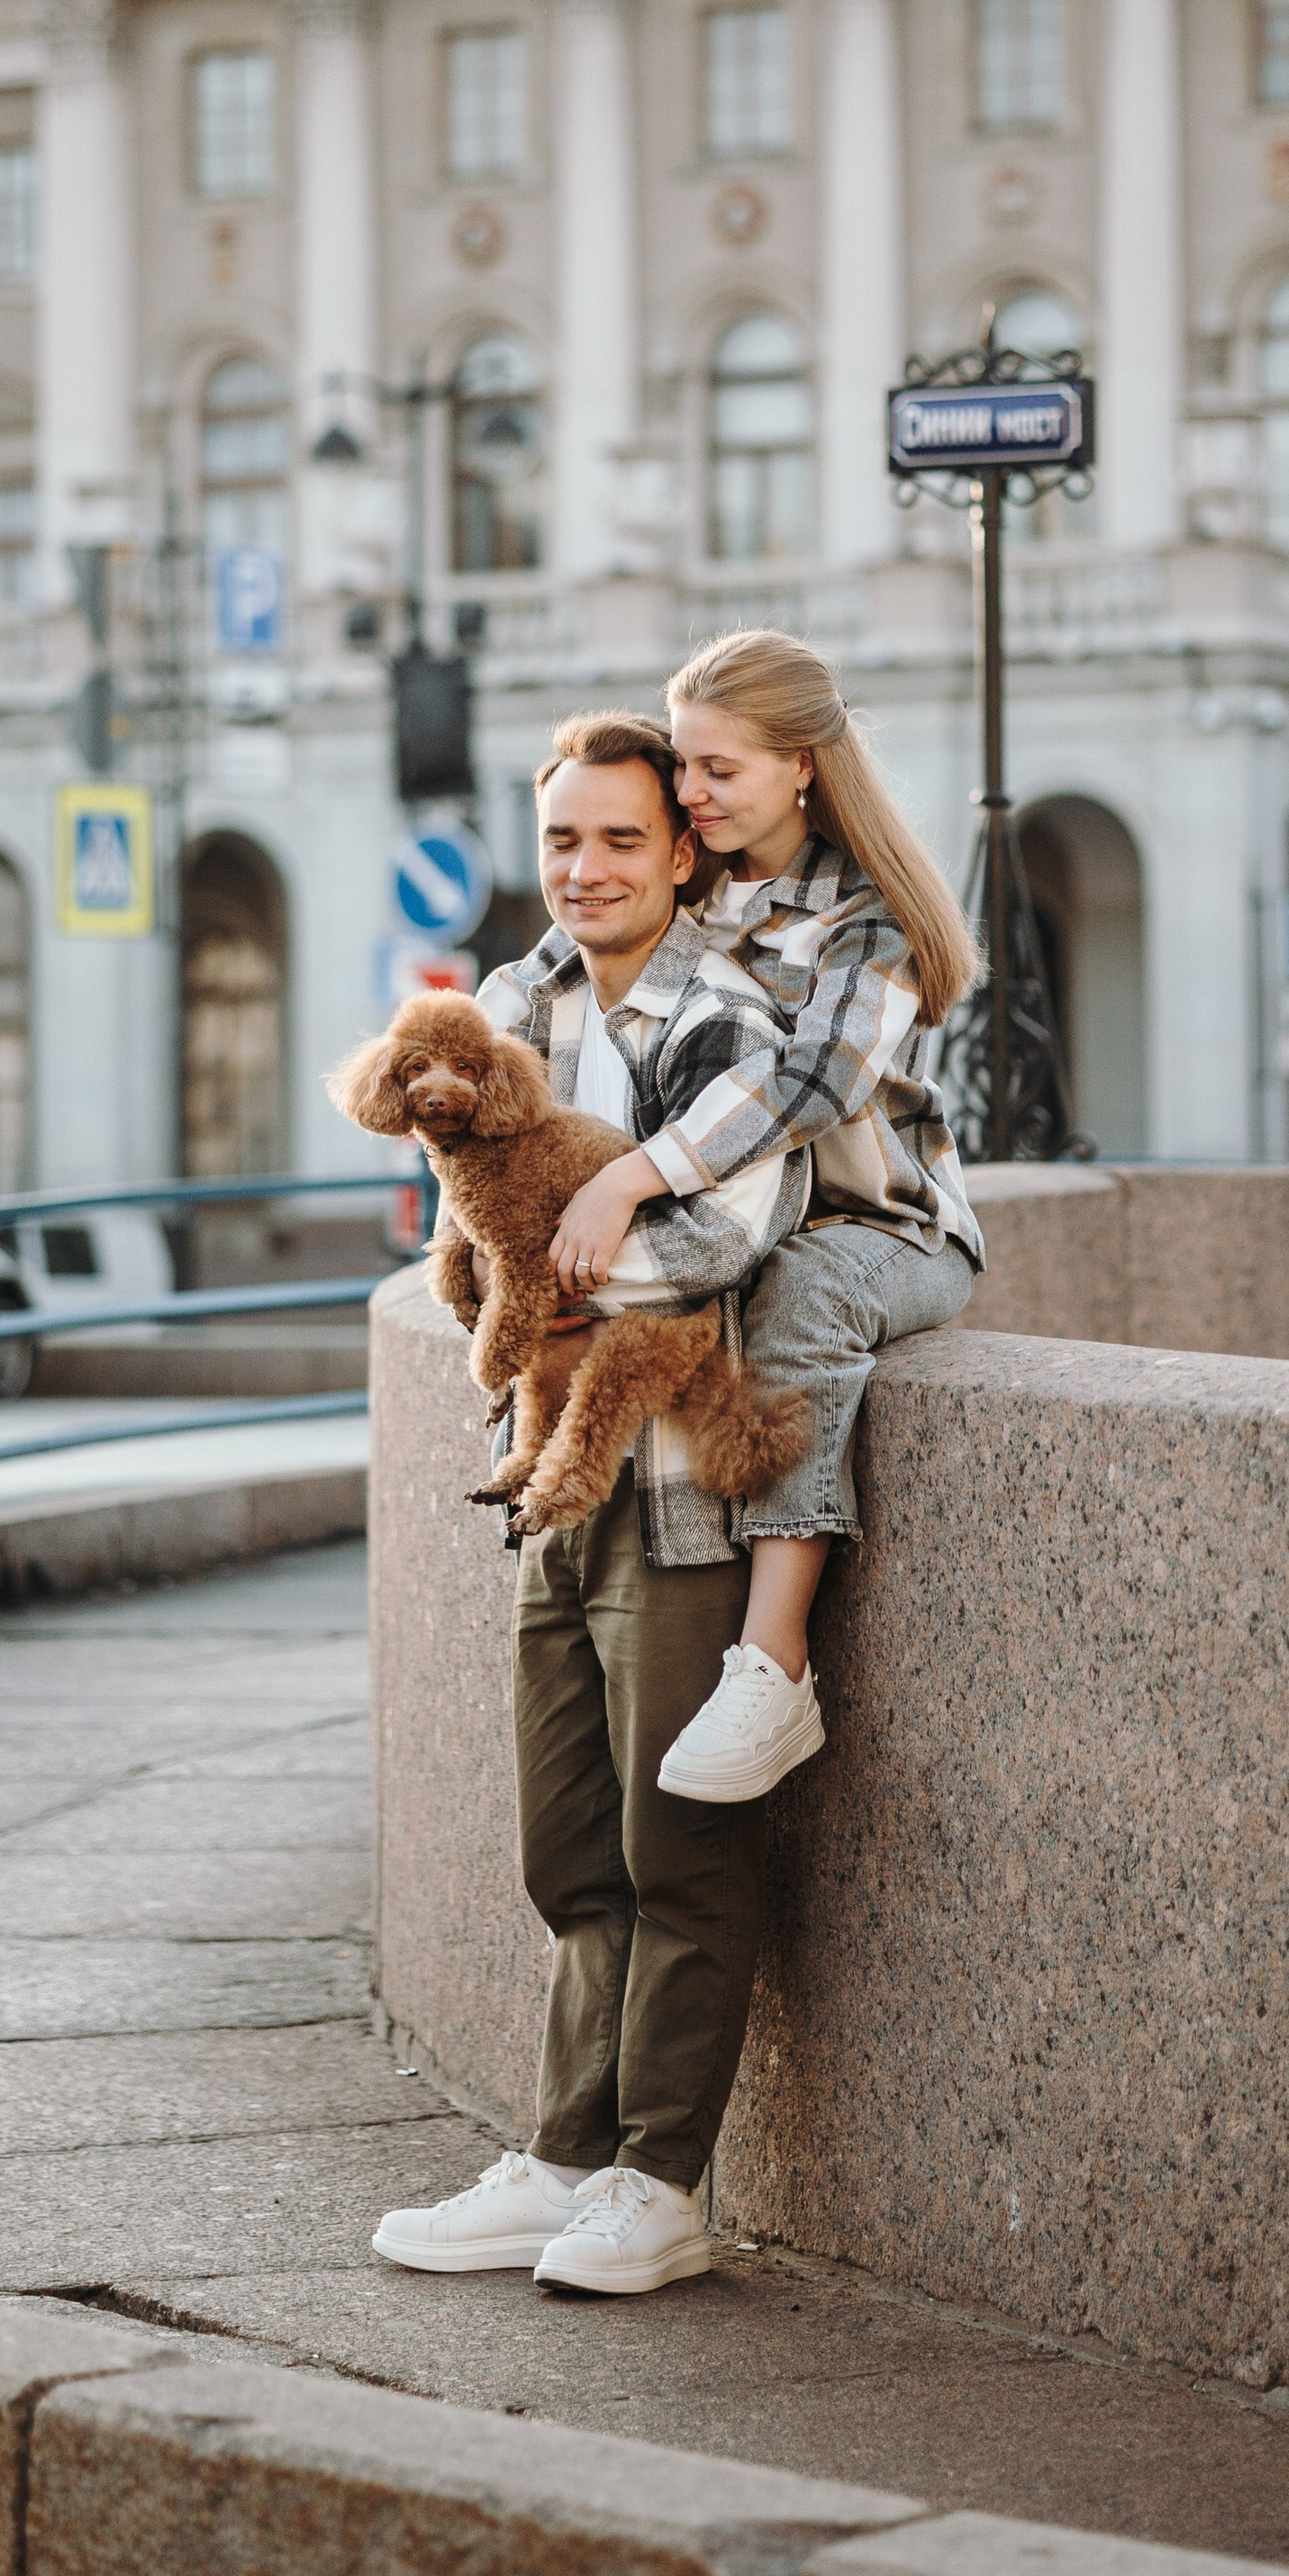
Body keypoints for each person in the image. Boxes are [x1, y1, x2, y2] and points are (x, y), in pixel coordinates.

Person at [370, 712, 809, 2299]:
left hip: (677, 1480)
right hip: (549, 1470)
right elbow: (461, 1224)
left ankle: (659, 2184)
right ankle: (562, 2156)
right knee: (566, 1845)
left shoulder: (735, 1012)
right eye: (563, 837)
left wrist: (549, 1275)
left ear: (682, 851)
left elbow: (728, 1240)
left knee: (676, 1843)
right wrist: (534, 1283)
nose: (588, 867)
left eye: (624, 837)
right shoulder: (511, 1004)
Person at [534, 631, 985, 1808]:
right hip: (741, 1219)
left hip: (882, 1229)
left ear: (801, 766)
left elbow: (813, 1085)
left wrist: (632, 1178)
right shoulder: (691, 874)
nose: (689, 791)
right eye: (683, 764)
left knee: (805, 1289)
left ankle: (773, 1666)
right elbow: (558, 963)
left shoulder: (870, 918)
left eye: (718, 768)